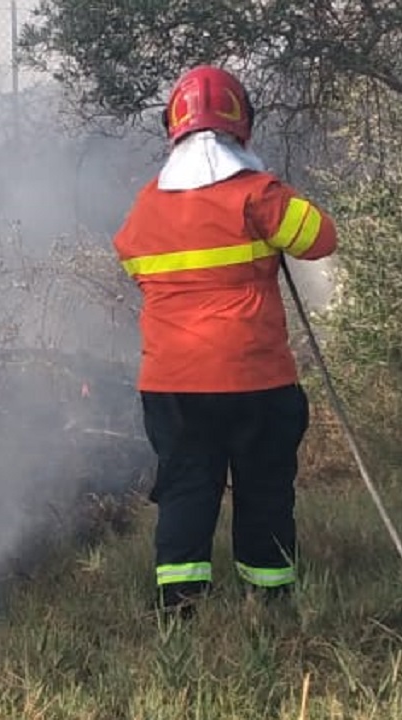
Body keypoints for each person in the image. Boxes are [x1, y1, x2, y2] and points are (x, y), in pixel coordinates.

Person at [112, 65, 339, 614]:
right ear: (244, 126)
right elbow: (320, 239)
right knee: (262, 488)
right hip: (254, 378)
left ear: (175, 128)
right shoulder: (258, 195)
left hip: (172, 383)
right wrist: (274, 191)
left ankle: (179, 604)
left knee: (186, 488)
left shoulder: (146, 206)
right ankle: (269, 602)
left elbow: (133, 263)